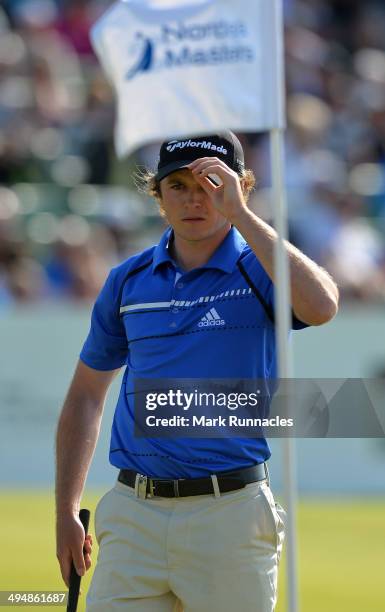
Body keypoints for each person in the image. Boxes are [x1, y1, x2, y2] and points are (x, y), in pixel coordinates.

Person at [55, 131, 339, 612]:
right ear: (159, 197)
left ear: (239, 187)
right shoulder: (127, 281)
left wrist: (243, 218)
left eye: (210, 183)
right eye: (179, 185)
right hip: (133, 515)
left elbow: (322, 305)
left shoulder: (260, 269)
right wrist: (65, 508)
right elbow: (86, 394)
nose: (194, 199)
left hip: (230, 514)